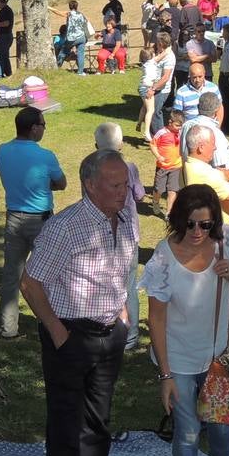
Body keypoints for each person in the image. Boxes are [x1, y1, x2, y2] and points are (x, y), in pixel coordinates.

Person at [20, 150, 136, 456]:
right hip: (71, 335)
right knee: (66, 425)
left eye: (125, 184)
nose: (123, 192)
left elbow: (118, 272)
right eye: (114, 186)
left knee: (98, 422)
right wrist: (59, 334)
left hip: (110, 333)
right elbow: (30, 284)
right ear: (90, 185)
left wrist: (122, 316)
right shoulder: (65, 227)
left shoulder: (125, 222)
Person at [141, 185, 229, 456]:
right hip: (178, 358)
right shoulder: (163, 257)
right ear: (178, 220)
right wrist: (165, 376)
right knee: (188, 432)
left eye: (205, 224)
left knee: (221, 429)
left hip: (220, 354)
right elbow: (156, 318)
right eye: (190, 224)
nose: (197, 231)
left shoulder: (227, 241)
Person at [0, 106, 68, 339]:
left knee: (12, 275)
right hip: (41, 221)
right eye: (43, 125)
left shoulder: (2, 151)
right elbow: (62, 183)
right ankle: (49, 325)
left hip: (14, 218)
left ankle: (8, 327)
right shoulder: (45, 156)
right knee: (48, 275)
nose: (45, 129)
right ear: (34, 128)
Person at [93, 123, 147, 351]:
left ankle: (106, 329)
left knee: (102, 282)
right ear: (121, 144)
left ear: (96, 146)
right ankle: (131, 334)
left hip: (99, 234)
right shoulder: (129, 166)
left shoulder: (90, 169)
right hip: (127, 234)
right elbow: (140, 194)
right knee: (129, 284)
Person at [181, 124, 229, 225]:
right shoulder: (204, 175)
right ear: (201, 147)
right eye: (212, 143)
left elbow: (227, 176)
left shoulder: (191, 165)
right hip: (223, 231)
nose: (215, 148)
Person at [178, 93, 229, 174]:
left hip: (187, 176)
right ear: (217, 110)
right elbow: (221, 168)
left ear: (198, 107)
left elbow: (182, 153)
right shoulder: (215, 133)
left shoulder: (186, 125)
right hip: (208, 182)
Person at [152, 109, 186, 218]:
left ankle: (169, 213)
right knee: (159, 189)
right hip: (163, 167)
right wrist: (158, 156)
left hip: (176, 166)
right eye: (177, 126)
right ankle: (156, 202)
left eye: (181, 126)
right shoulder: (161, 133)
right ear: (170, 122)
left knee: (173, 190)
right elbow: (152, 145)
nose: (179, 128)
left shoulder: (180, 133)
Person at [145, 33, 176, 134]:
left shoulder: (169, 57)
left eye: (157, 42)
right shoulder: (158, 52)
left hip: (162, 89)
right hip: (153, 87)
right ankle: (152, 135)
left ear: (162, 43)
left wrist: (153, 89)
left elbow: (165, 77)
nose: (155, 43)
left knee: (154, 112)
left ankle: (161, 136)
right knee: (150, 110)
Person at [63, 0, 91, 75]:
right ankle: (80, 72)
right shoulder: (81, 14)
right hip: (82, 37)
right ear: (76, 6)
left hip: (71, 38)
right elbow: (86, 22)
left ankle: (58, 66)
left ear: (69, 6)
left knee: (63, 51)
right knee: (80, 54)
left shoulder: (69, 14)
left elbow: (59, 14)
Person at [0, 0, 15, 79]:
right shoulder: (6, 10)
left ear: (0, 2)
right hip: (6, 35)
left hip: (4, 36)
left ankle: (1, 73)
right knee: (5, 55)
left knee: (1, 55)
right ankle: (8, 72)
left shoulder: (5, 11)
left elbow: (6, 23)